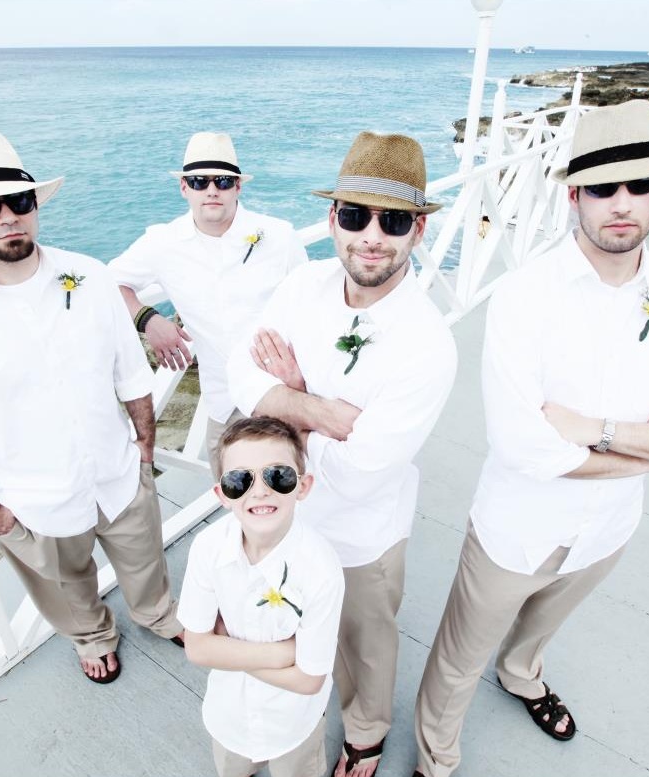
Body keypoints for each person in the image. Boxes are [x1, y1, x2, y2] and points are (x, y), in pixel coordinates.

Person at [412, 99, 649, 777]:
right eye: (601, 187)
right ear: (574, 196)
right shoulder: (524, 296)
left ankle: (521, 673)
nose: (621, 203)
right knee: (457, 660)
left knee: (541, 629)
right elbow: (524, 447)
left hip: (609, 529)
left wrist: (598, 432)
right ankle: (435, 758)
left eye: (639, 183)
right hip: (517, 530)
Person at [0, 130, 183, 684]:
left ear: (34, 204)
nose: (9, 217)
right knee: (65, 587)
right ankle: (91, 635)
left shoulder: (91, 276)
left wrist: (144, 451)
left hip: (118, 470)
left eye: (20, 200)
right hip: (32, 499)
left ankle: (157, 613)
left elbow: (130, 371)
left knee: (146, 558)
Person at [227, 131, 458, 777]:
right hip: (280, 518)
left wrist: (285, 403)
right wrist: (321, 410)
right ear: (333, 219)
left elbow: (360, 475)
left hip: (363, 534)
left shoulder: (427, 343)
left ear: (418, 231)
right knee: (283, 618)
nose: (372, 236)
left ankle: (365, 732)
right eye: (356, 215)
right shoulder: (303, 284)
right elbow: (239, 374)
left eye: (394, 221)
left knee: (365, 645)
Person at [109, 132, 308, 476]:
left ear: (238, 187)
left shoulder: (280, 236)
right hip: (223, 402)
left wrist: (305, 387)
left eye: (223, 181)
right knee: (232, 491)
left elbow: (311, 310)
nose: (212, 190)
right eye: (200, 181)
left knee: (295, 489)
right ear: (184, 187)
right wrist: (148, 319)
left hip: (282, 395)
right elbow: (107, 283)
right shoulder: (163, 242)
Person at [179, 416, 344, 777]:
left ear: (303, 486)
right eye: (240, 480)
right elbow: (197, 648)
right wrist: (283, 653)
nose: (259, 491)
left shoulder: (321, 570)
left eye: (277, 476)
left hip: (293, 723)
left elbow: (310, 680)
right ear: (222, 494)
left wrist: (226, 648)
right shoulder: (208, 548)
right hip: (229, 716)